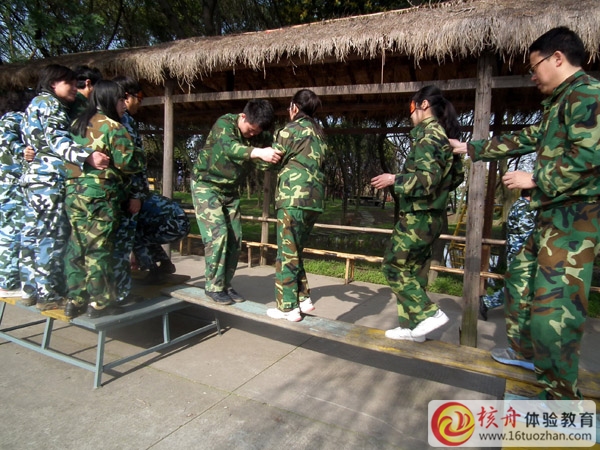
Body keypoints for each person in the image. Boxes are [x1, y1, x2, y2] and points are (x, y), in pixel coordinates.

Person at [450, 27, 600, 401]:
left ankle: (560, 400)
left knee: (556, 316)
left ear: (557, 58)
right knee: (518, 278)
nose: (532, 75)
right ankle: (525, 353)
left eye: (535, 66)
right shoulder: (559, 103)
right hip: (550, 218)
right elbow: (524, 139)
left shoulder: (588, 95)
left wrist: (536, 178)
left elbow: (590, 158)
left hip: (574, 221)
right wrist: (471, 148)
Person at [371, 85, 464, 342]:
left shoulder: (428, 137)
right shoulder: (443, 138)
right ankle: (413, 327)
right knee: (413, 271)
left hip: (418, 216)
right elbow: (456, 177)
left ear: (424, 105)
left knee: (392, 265)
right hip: (432, 217)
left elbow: (427, 180)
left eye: (412, 107)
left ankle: (428, 314)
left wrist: (394, 179)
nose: (410, 113)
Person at [19, 64, 110, 310]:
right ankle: (48, 296)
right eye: (69, 83)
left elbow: (30, 140)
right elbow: (57, 138)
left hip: (33, 180)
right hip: (49, 182)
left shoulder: (34, 105)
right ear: (53, 84)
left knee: (32, 235)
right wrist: (86, 156)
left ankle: (30, 290)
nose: (73, 87)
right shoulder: (52, 105)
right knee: (52, 237)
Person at [64, 80, 144, 318]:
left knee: (77, 245)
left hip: (74, 192)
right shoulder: (113, 127)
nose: (123, 105)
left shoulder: (77, 124)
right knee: (99, 247)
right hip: (100, 194)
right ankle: (99, 302)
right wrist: (139, 155)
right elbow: (127, 163)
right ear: (110, 100)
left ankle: (74, 299)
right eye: (120, 100)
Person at [191, 99, 283, 305]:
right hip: (206, 186)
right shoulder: (225, 124)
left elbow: (274, 146)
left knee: (235, 238)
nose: (252, 135)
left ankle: (225, 283)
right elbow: (230, 148)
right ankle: (213, 287)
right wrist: (259, 152)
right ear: (243, 116)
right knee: (218, 235)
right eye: (250, 130)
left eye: (256, 133)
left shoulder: (259, 134)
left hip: (230, 191)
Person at [266, 89, 328, 322]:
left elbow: (272, 161)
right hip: (314, 201)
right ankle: (303, 298)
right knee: (295, 250)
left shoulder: (288, 130)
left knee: (286, 253)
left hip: (292, 199)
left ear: (294, 107)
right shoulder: (320, 134)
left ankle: (287, 307)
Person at [479, 189, 537, 321]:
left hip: (519, 252)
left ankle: (489, 302)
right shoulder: (525, 208)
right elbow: (528, 233)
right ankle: (488, 302)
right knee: (518, 284)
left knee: (520, 283)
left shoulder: (520, 205)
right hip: (521, 253)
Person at [0, 112, 29, 298]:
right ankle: (7, 282)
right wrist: (25, 152)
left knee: (7, 230)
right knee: (12, 231)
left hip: (6, 182)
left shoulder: (6, 120)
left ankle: (6, 280)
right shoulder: (15, 119)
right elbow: (12, 144)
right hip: (12, 183)